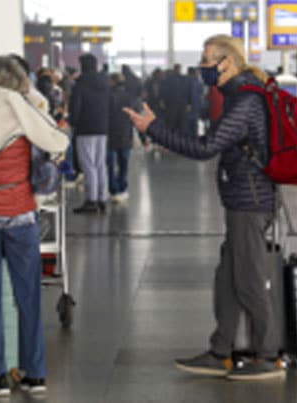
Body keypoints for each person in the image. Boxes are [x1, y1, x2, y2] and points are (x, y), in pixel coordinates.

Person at [123, 35, 284, 381]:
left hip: (250, 200)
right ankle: (220, 351)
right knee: (227, 279)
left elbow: (206, 147)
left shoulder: (246, 101)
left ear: (228, 62)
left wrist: (155, 129)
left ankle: (270, 356)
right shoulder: (238, 96)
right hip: (242, 197)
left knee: (248, 280)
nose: (202, 66)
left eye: (208, 59)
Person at [0, 56, 69, 395]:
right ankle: (34, 374)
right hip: (20, 213)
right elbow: (56, 143)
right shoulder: (24, 115)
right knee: (28, 296)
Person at [70, 53, 111, 214]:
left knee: (88, 164)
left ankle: (91, 200)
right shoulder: (104, 83)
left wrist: (73, 122)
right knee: (100, 164)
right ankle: (102, 198)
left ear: (82, 66)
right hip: (102, 128)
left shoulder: (80, 85)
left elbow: (75, 108)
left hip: (85, 128)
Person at [108, 73, 138, 203]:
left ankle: (113, 189)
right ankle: (122, 187)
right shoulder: (129, 97)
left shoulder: (107, 96)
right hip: (125, 133)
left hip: (110, 133)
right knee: (123, 163)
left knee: (110, 164)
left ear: (112, 82)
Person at [160, 64, 192, 135]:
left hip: (173, 105)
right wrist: (189, 103)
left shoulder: (168, 79)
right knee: (181, 124)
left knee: (173, 124)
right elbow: (189, 92)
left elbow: (164, 92)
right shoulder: (185, 79)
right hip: (181, 105)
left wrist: (163, 102)